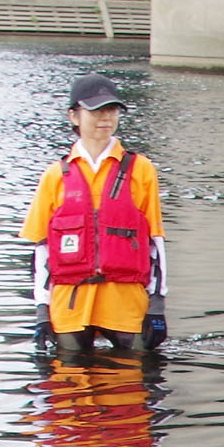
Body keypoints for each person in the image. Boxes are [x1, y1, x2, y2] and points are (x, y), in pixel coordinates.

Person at [23, 72, 168, 368]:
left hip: (125, 303)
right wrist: (42, 310)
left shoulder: (141, 170)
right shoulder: (54, 176)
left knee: (129, 394)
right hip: (70, 305)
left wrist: (157, 306)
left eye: (112, 110)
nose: (106, 117)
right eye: (97, 110)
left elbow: (155, 243)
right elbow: (41, 250)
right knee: (68, 397)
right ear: (74, 116)